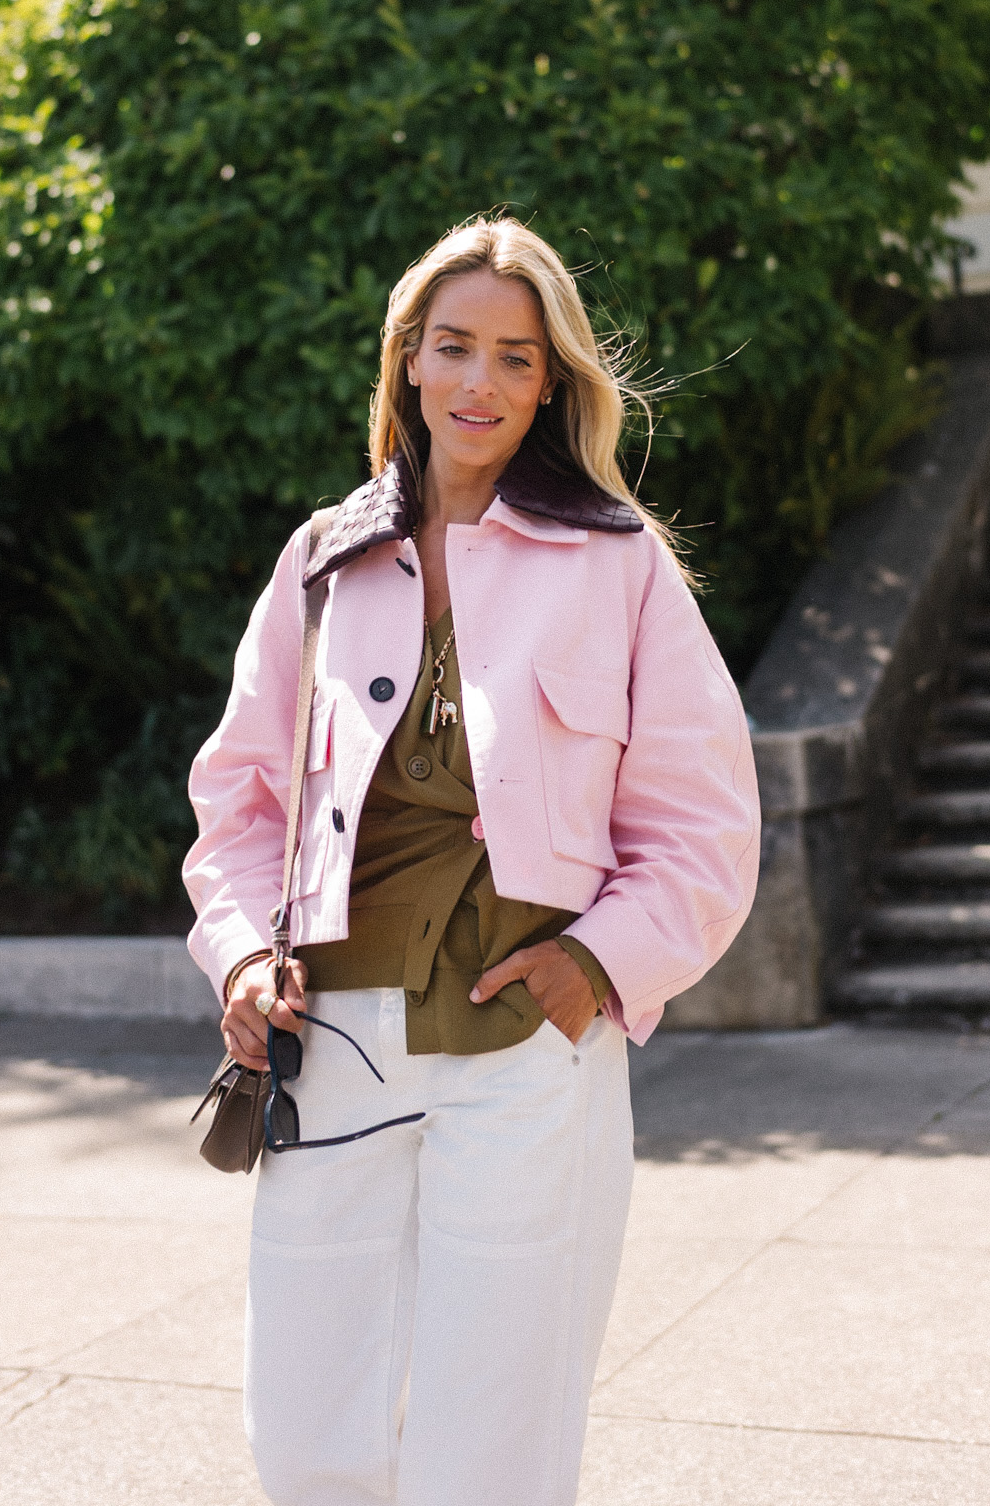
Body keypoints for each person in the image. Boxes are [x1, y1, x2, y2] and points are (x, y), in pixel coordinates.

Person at [184, 218, 760, 1506]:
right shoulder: (323, 561)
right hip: (330, 1036)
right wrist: (238, 954)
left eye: (513, 357)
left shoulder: (620, 565)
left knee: (495, 1426)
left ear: (550, 382)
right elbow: (239, 797)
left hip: (528, 1045)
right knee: (316, 1417)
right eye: (453, 349)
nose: (479, 385)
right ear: (407, 362)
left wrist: (594, 967)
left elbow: (707, 825)